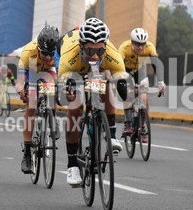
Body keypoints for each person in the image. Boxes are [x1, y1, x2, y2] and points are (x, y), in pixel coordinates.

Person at [58, 17, 129, 186]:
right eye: (90, 50)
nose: (95, 56)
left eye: (100, 51)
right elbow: (61, 96)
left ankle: (111, 134)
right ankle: (72, 164)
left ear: (105, 47)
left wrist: (122, 86)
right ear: (81, 46)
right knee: (74, 106)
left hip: (97, 72)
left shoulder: (111, 53)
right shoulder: (69, 56)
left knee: (107, 84)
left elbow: (120, 76)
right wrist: (67, 92)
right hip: (73, 70)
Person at [15, 24, 60, 174]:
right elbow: (20, 81)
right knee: (31, 105)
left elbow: (62, 76)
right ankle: (27, 154)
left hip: (49, 71)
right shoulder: (28, 52)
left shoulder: (59, 53)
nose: (47, 57)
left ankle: (52, 116)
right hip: (32, 69)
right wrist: (22, 91)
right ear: (38, 48)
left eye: (51, 54)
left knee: (52, 86)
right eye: (44, 53)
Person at [117, 27, 165, 139]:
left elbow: (156, 65)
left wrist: (160, 82)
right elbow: (118, 66)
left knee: (144, 97)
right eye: (137, 44)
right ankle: (128, 123)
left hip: (140, 71)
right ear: (132, 43)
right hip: (125, 70)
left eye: (143, 44)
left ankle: (142, 126)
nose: (140, 47)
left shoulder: (150, 47)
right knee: (128, 94)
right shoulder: (124, 48)